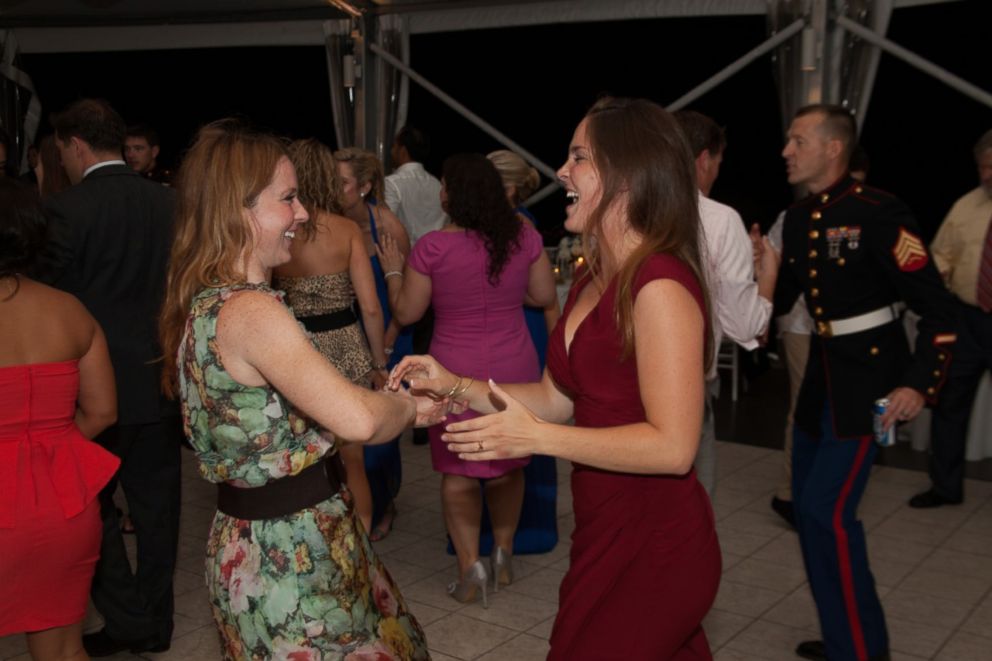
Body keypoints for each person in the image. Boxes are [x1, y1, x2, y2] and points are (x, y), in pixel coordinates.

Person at [389, 98, 721, 658]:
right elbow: (552, 397)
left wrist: (537, 440)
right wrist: (451, 382)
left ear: (628, 174)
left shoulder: (659, 285)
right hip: (603, 526)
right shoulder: (595, 276)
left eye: (580, 158)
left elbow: (673, 447)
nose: (562, 172)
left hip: (655, 538)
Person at [159, 120, 432, 659]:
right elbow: (359, 420)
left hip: (263, 536)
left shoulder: (209, 303)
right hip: (289, 549)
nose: (303, 213)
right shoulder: (252, 311)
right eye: (288, 199)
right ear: (241, 210)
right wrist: (410, 406)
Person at [774, 104, 957, 661]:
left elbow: (940, 314)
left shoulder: (881, 213)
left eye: (798, 141)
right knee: (808, 513)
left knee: (828, 515)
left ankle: (861, 650)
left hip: (871, 387)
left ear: (834, 149)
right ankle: (843, 638)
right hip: (822, 384)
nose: (786, 151)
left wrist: (917, 385)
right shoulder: (801, 217)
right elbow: (782, 302)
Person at [35, 99, 182, 657]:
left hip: (87, 389)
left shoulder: (66, 210)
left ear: (74, 145)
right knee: (157, 513)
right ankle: (156, 623)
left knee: (91, 511)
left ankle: (127, 620)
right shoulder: (169, 204)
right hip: (157, 378)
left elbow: (48, 301)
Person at [379, 152, 556, 607]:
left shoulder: (432, 248)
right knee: (506, 464)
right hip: (513, 366)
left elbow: (407, 313)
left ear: (452, 195)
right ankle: (503, 553)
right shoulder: (525, 237)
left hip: (452, 370)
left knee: (458, 473)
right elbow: (541, 295)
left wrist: (394, 269)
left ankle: (469, 570)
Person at [0, 178, 119, 660]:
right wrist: (50, 448)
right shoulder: (70, 310)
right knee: (64, 650)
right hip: (61, 501)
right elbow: (103, 411)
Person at [273, 138, 388, 535]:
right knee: (352, 459)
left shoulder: (280, 230)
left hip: (295, 352)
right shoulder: (346, 230)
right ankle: (362, 538)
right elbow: (371, 307)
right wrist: (378, 362)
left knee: (302, 459)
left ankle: (315, 539)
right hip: (346, 347)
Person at [674, 110, 778, 495]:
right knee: (690, 506)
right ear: (704, 159)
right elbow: (744, 324)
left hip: (624, 382)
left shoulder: (632, 209)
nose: (716, 172)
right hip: (684, 386)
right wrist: (767, 276)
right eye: (717, 163)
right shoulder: (719, 219)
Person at [767, 146, 869, 528]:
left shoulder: (864, 216)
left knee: (827, 407)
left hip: (838, 330)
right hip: (800, 324)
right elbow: (772, 266)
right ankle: (789, 492)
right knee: (802, 406)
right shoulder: (797, 217)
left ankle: (814, 487)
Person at [910, 128, 992, 508]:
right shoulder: (966, 205)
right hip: (969, 319)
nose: (986, 175)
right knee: (949, 402)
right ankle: (945, 487)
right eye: (982, 167)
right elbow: (940, 255)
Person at [486, 148, 561, 554]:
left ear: (509, 188)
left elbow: (544, 298)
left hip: (521, 329)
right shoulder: (513, 224)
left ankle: (513, 530)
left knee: (518, 420)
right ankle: (518, 528)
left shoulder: (515, 228)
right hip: (520, 327)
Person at [335, 147, 411, 538]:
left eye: (343, 181)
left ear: (364, 187)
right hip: (345, 334)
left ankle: (385, 502)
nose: (335, 188)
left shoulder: (386, 224)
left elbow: (410, 290)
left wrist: (389, 340)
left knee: (380, 434)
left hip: (388, 330)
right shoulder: (328, 221)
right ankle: (355, 505)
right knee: (347, 431)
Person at [384, 126, 446, 245]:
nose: (391, 152)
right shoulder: (437, 184)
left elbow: (388, 227)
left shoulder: (392, 183)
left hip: (408, 259)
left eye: (394, 146)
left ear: (402, 151)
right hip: (438, 256)